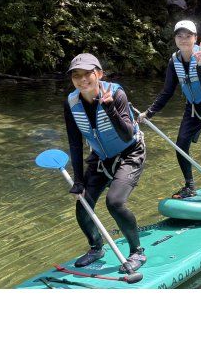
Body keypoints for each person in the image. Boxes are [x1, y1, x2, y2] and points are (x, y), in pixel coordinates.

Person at [63, 53, 147, 271]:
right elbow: (75, 143)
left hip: (130, 153)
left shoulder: (116, 94)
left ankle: (137, 252)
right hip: (101, 158)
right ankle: (96, 247)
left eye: (87, 74)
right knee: (83, 206)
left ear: (98, 74)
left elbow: (128, 135)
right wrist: (79, 180)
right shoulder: (71, 103)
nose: (82, 80)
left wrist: (110, 109)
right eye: (76, 75)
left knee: (115, 202)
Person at [138, 20, 201, 202]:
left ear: (195, 38)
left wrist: (200, 65)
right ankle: (190, 186)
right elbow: (167, 91)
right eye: (180, 36)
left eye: (188, 36)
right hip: (193, 108)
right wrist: (148, 113)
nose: (184, 39)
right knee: (181, 146)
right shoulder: (174, 61)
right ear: (175, 39)